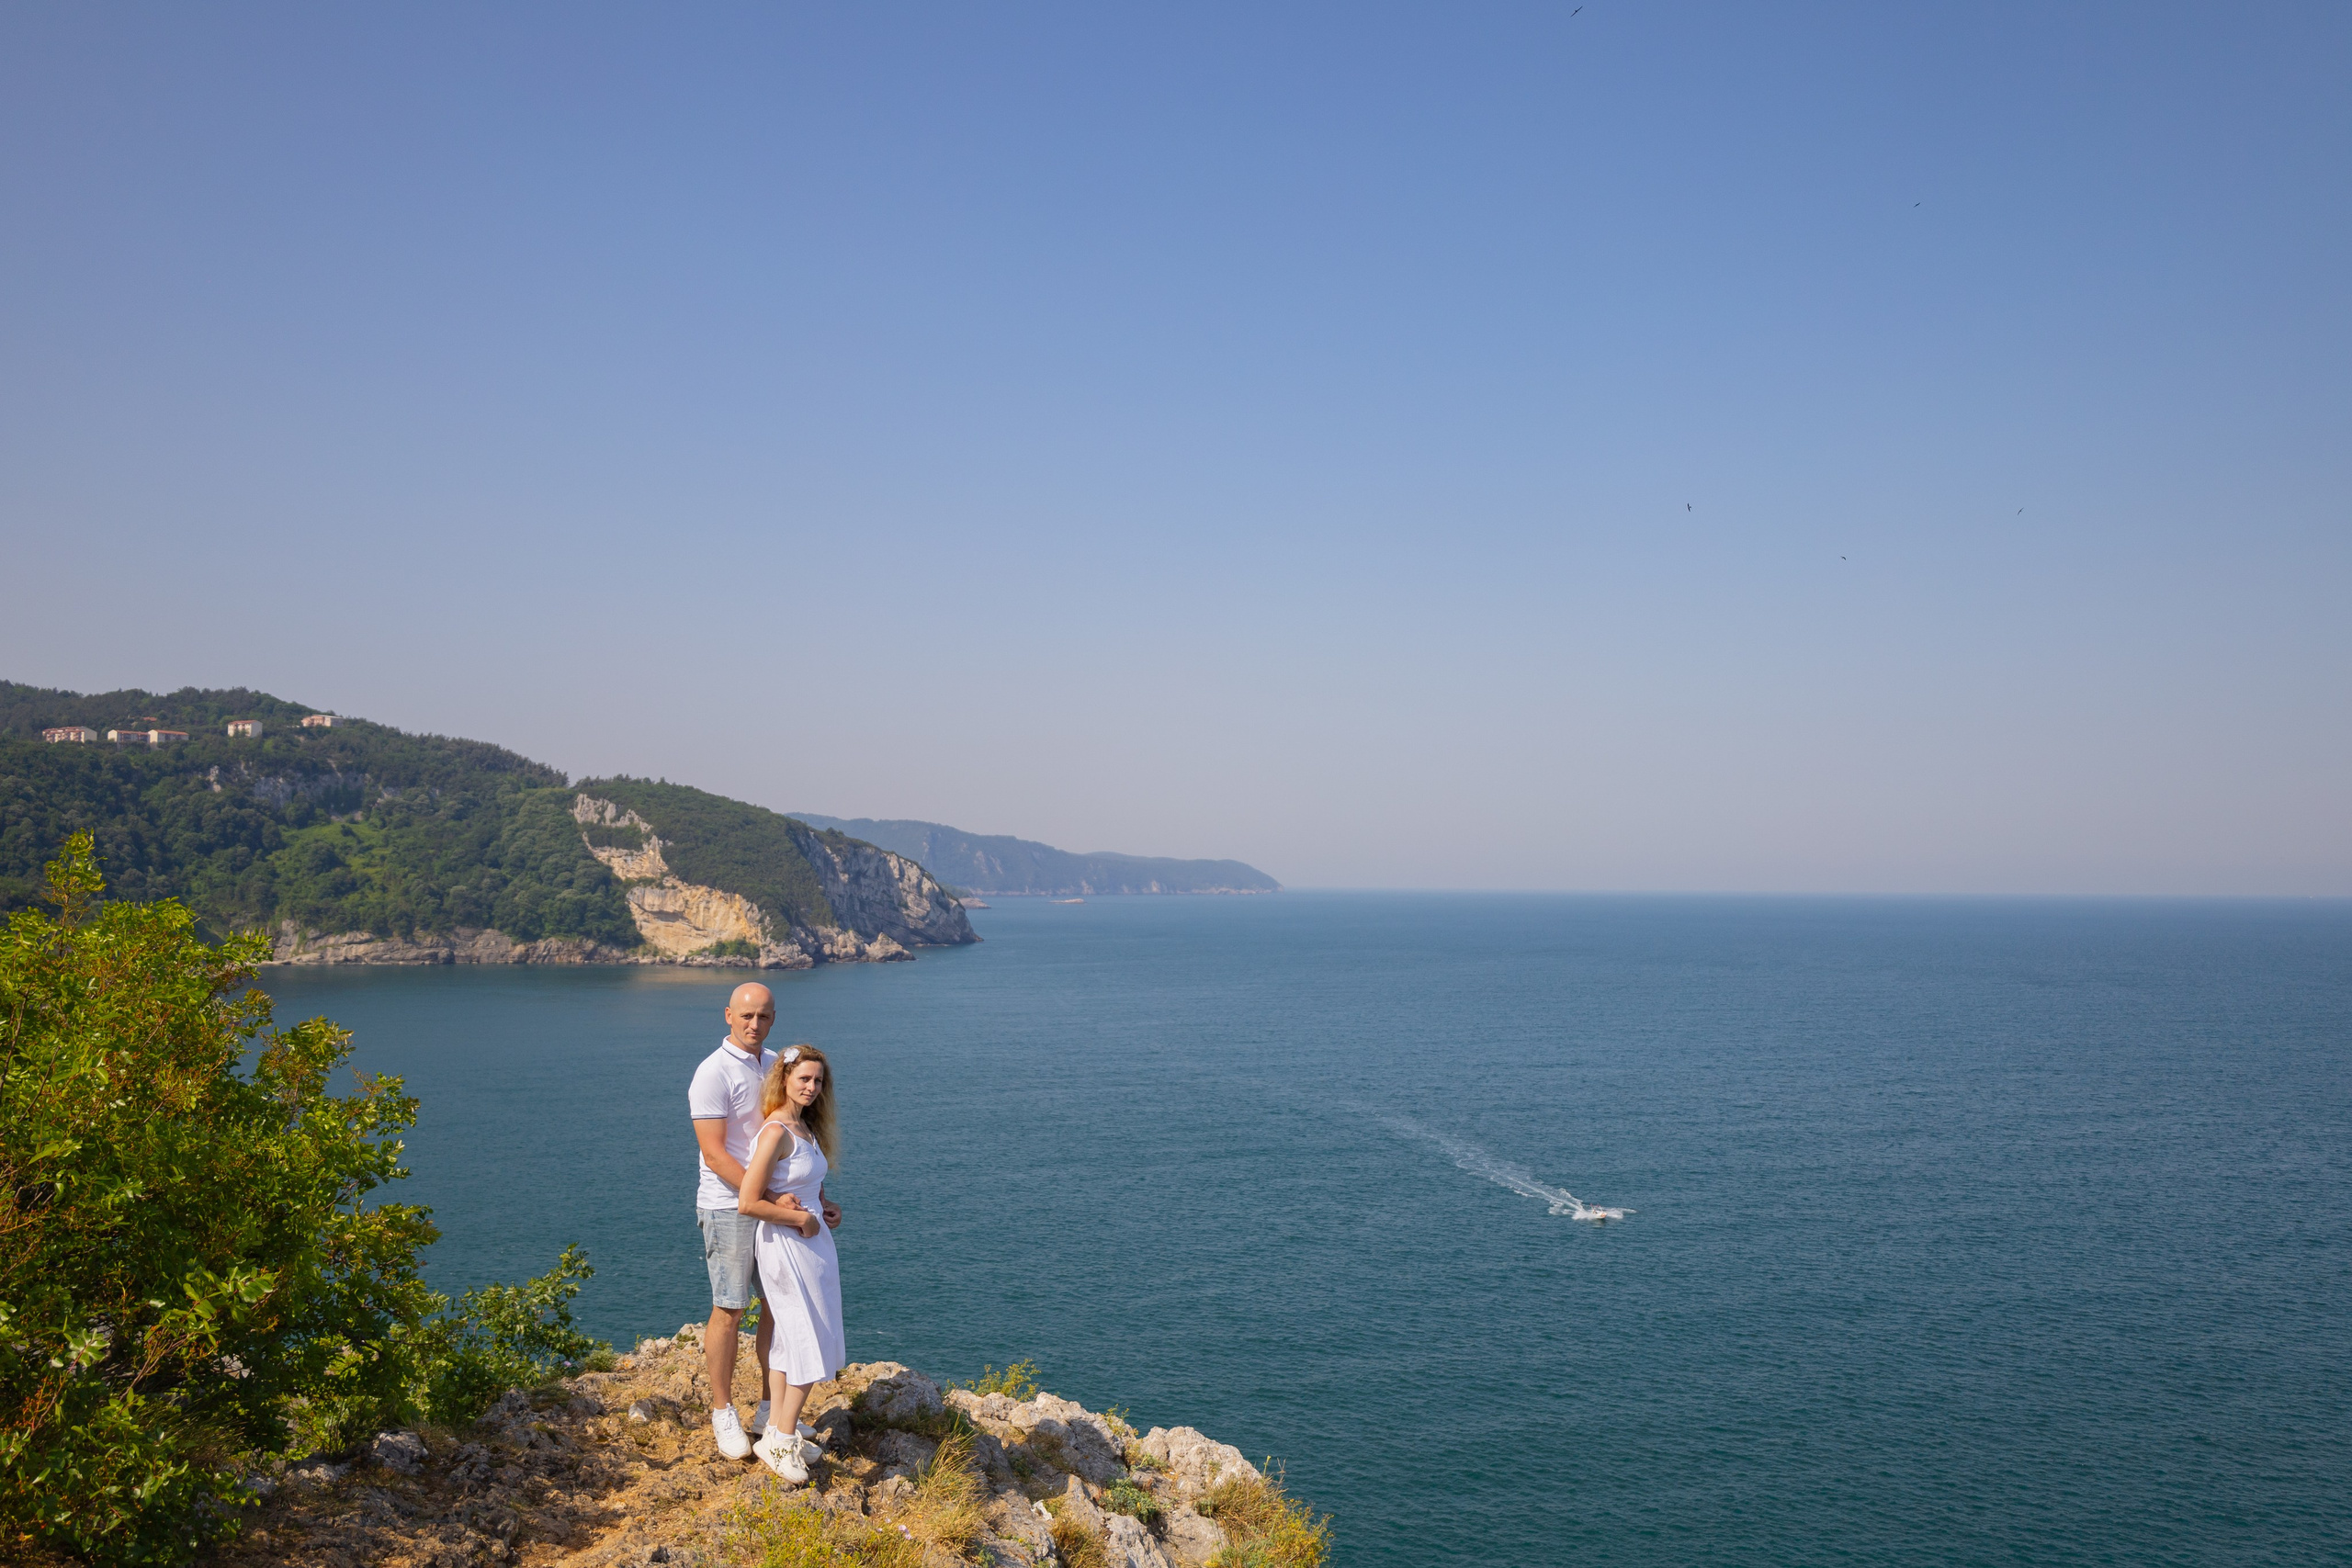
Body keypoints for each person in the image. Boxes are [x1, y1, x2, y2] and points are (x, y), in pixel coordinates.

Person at [686, 984, 840, 1459]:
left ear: (774, 1019)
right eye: (747, 1015)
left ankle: (771, 1414)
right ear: (728, 1015)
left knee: (780, 1305)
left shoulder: (776, 1064)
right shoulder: (711, 1073)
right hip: (728, 1203)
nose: (755, 1024)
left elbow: (793, 1143)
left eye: (765, 1016)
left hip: (775, 1203)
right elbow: (714, 1155)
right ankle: (723, 1411)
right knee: (730, 1307)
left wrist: (817, 1197)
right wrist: (773, 1197)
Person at [736, 1043, 847, 1483]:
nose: (812, 1087)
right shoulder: (775, 1131)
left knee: (790, 1341)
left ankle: (776, 1432)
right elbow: (748, 1201)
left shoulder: (806, 1128)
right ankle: (781, 1442)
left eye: (818, 1080)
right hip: (785, 1248)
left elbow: (807, 1186)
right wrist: (800, 1218)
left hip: (813, 1248)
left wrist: (825, 1208)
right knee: (808, 1341)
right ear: (783, 1080)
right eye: (803, 1078)